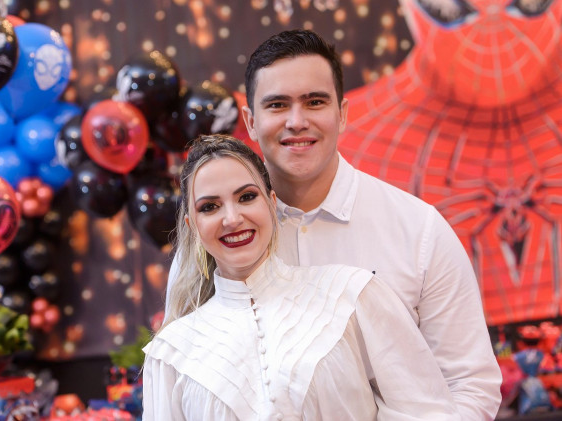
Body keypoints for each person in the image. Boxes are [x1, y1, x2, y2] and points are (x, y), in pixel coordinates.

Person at [165, 29, 502, 420]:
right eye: (277, 105)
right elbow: (183, 376)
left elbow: (470, 385)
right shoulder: (219, 244)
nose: (296, 121)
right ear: (251, 122)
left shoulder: (418, 230)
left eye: (315, 102)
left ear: (342, 114)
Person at [144, 134, 459, 420]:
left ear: (271, 203)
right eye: (210, 207)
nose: (232, 218)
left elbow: (425, 412)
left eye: (246, 197)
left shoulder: (351, 295)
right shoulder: (171, 354)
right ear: (192, 225)